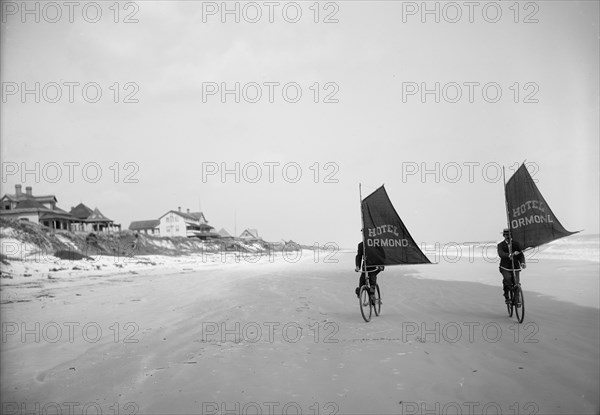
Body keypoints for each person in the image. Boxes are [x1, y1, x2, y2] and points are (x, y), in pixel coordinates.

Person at [497, 228, 526, 304]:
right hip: (505, 267)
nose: (507, 236)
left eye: (508, 234)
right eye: (505, 234)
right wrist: (510, 254)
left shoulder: (516, 244)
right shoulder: (500, 245)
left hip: (515, 267)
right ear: (503, 235)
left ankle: (517, 298)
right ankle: (507, 296)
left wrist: (522, 263)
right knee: (508, 280)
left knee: (516, 283)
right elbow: (501, 254)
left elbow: (521, 254)